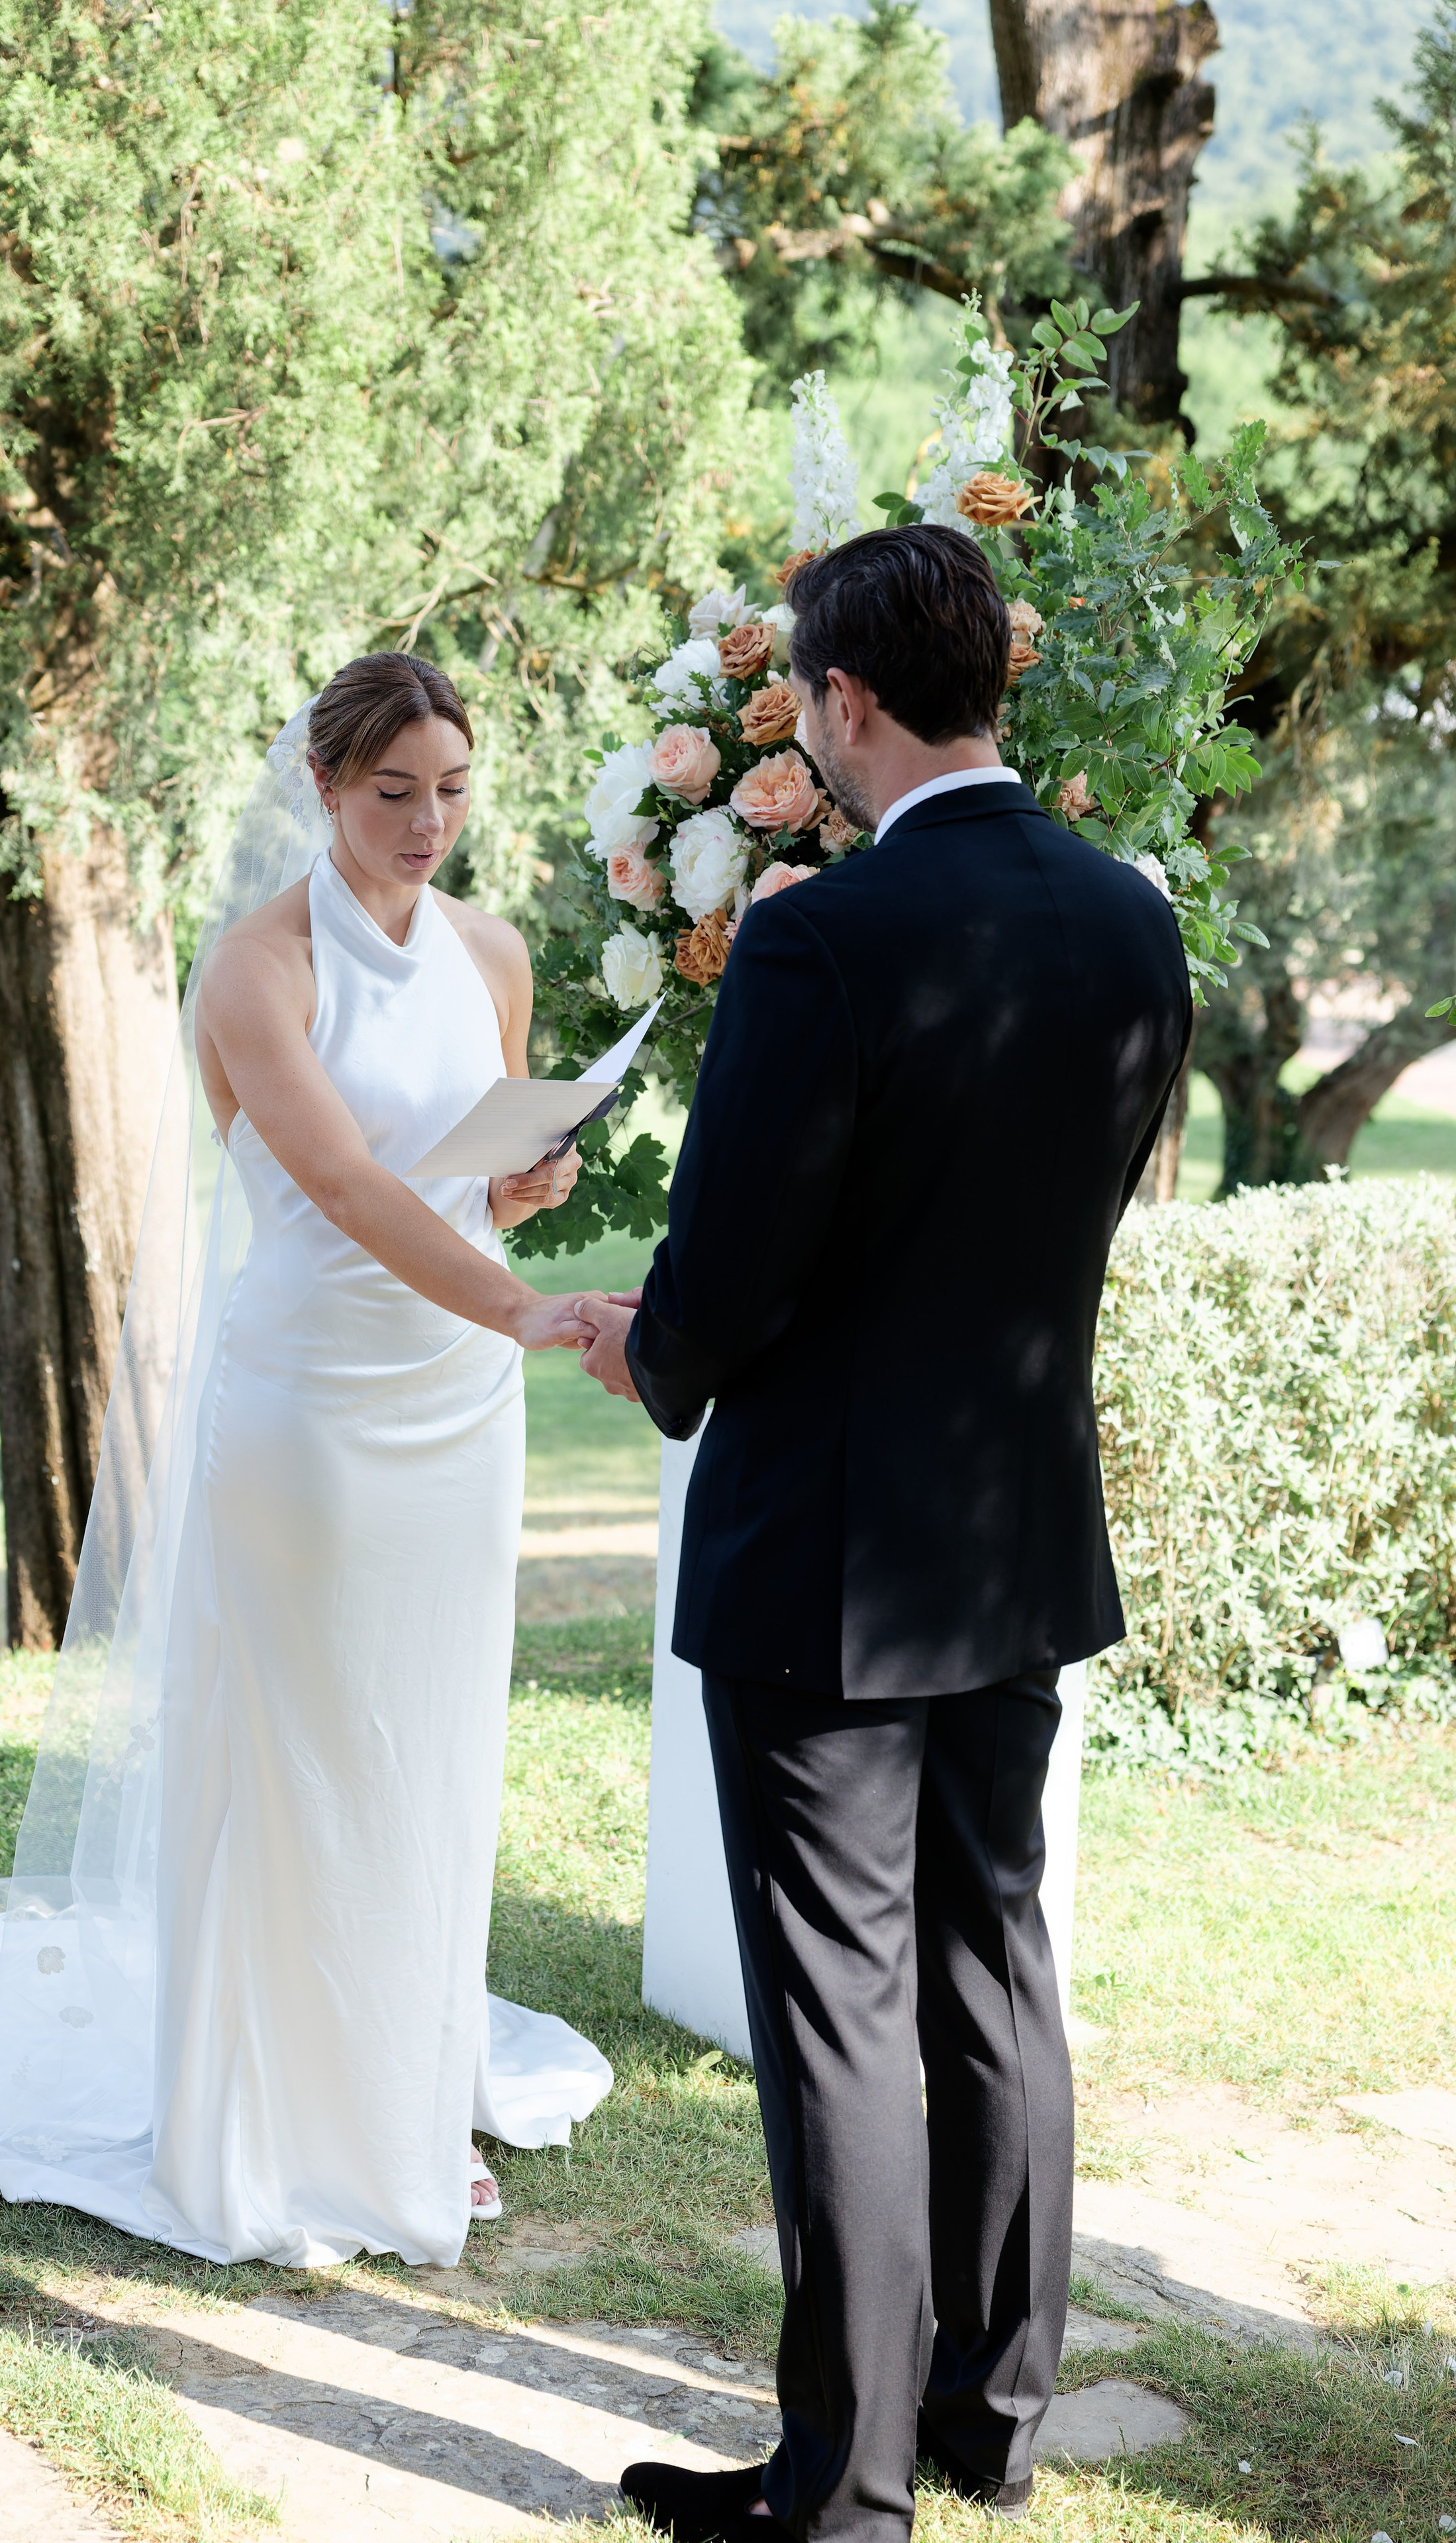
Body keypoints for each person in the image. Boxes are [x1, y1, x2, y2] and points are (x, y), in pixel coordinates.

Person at [0, 655, 611, 2270]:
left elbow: (450, 1187)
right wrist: (525, 1304)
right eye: (391, 791)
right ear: (319, 785)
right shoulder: (256, 972)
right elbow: (351, 1198)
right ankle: (271, 2114)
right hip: (312, 1412)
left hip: (455, 1413)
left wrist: (521, 1193)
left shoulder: (491, 953)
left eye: (450, 788)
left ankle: (408, 2095)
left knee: (428, 1746)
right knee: (303, 1748)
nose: (428, 822)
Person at [574, 526, 1192, 2540]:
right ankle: (993, 2415)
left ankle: (840, 2496)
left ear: (839, 702)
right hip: (1013, 1529)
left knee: (840, 2006)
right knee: (995, 1965)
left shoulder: (821, 935)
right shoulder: (1128, 920)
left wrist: (650, 1350)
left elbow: (737, 1264)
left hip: (829, 1551)